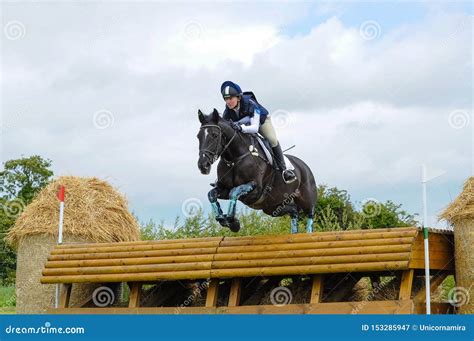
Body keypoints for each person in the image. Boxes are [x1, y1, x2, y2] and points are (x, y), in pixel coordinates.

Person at [220, 80, 297, 184]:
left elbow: (255, 128)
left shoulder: (251, 103)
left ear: (238, 97)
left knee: (272, 139)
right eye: (226, 99)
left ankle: (284, 170)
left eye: (230, 98)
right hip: (244, 126)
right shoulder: (227, 111)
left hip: (261, 122)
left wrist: (241, 128)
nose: (228, 102)